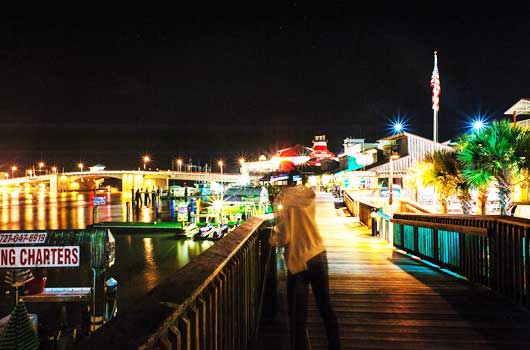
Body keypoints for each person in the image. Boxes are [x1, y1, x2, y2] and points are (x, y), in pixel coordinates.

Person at [271, 173, 340, 350]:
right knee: (325, 307)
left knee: (297, 316)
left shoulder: (285, 201)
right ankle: (335, 345)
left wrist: (274, 239)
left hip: (298, 261)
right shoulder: (310, 197)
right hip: (318, 252)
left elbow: (285, 234)